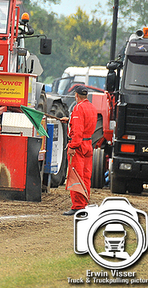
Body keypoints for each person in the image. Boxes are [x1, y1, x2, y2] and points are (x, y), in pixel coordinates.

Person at [60, 85, 97, 215]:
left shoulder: (78, 108)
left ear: (76, 95)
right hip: (88, 144)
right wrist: (70, 120)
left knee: (76, 176)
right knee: (86, 176)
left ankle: (77, 206)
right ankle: (84, 203)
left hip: (79, 146)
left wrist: (72, 146)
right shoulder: (92, 107)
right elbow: (85, 123)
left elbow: (77, 130)